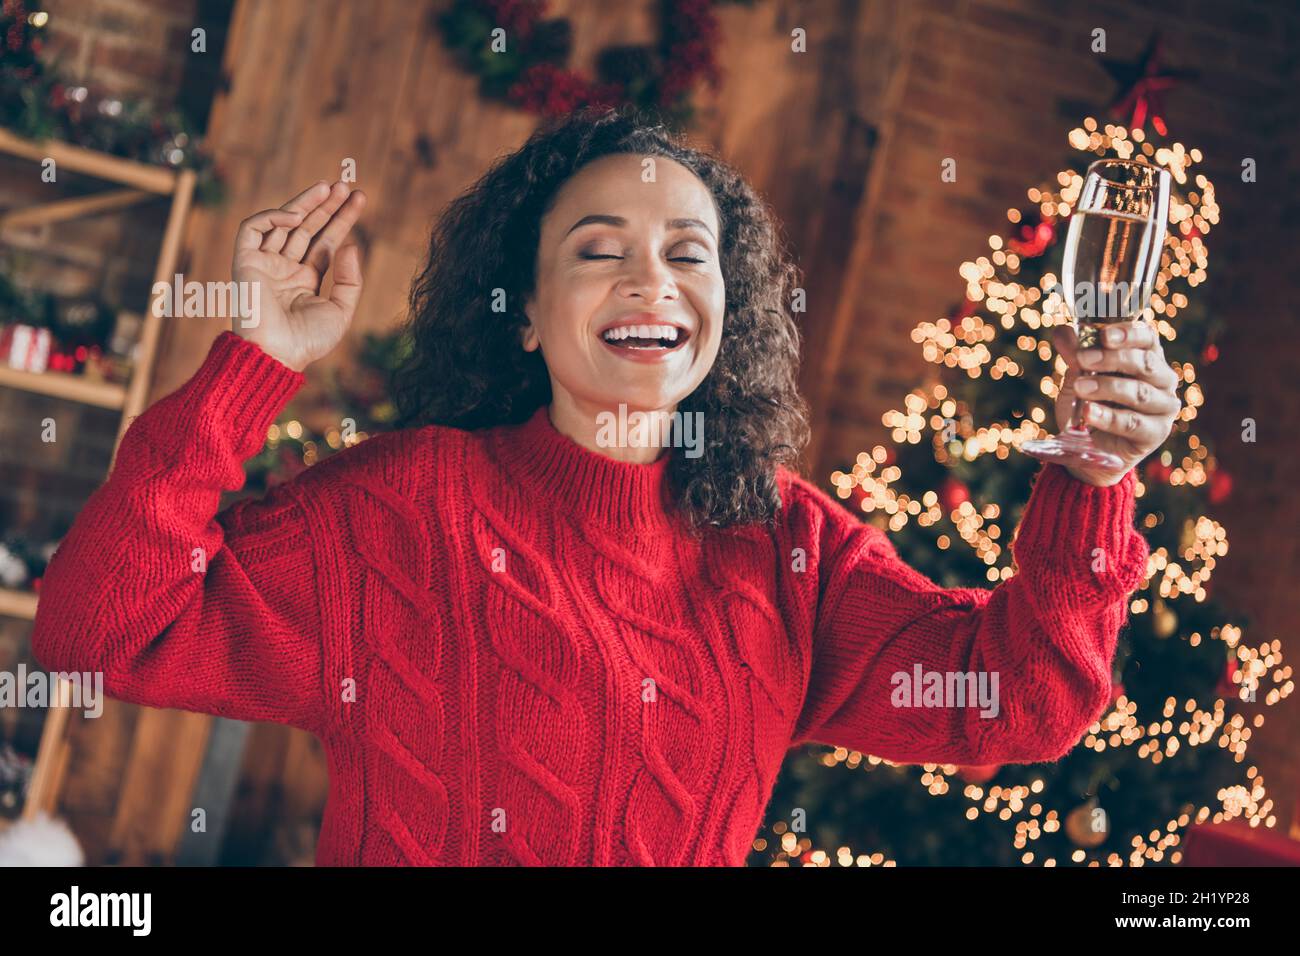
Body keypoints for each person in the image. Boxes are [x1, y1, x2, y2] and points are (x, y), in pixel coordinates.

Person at [30, 106, 1180, 866]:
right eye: (597, 247)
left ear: (725, 308)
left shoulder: (785, 548)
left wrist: (1092, 474)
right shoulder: (402, 507)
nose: (651, 277)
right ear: (523, 313)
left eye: (689, 250)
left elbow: (1021, 699)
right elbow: (99, 628)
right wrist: (256, 359)